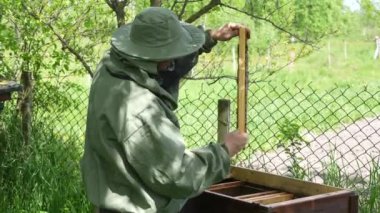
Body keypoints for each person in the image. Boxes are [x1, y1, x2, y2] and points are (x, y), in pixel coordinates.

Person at [80, 7, 249, 213]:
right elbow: (176, 175)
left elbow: (162, 70)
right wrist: (224, 151)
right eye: (170, 53)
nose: (173, 60)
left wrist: (208, 38)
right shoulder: (139, 107)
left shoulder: (112, 64)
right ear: (150, 56)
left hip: (116, 194)